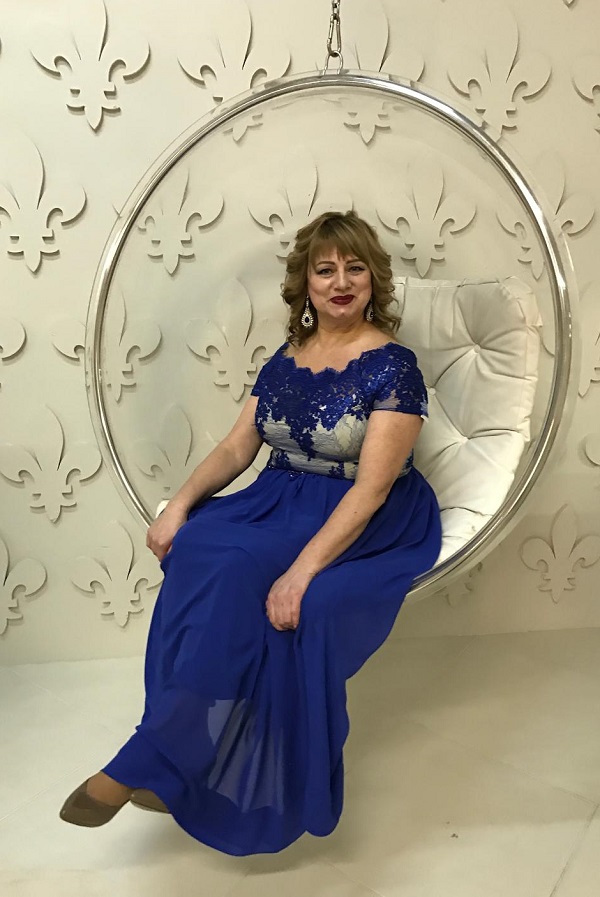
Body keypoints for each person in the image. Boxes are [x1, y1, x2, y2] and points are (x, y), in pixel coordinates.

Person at [59, 210, 442, 855]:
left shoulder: (394, 366)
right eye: (325, 270)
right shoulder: (287, 359)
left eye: (354, 269)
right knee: (200, 544)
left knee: (240, 563)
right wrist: (179, 506)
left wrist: (300, 573)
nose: (341, 282)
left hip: (363, 510)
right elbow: (239, 447)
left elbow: (373, 489)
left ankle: (153, 756)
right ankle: (184, 743)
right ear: (306, 284)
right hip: (280, 495)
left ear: (374, 280)